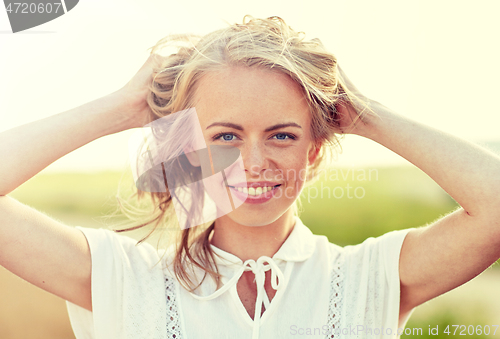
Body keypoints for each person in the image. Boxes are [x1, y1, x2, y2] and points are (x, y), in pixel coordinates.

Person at [1, 16, 499, 339]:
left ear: (316, 152)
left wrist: (367, 115)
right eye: (224, 137)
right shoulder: (123, 279)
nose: (254, 161)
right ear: (186, 152)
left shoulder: (368, 278)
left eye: (282, 136)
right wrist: (121, 108)